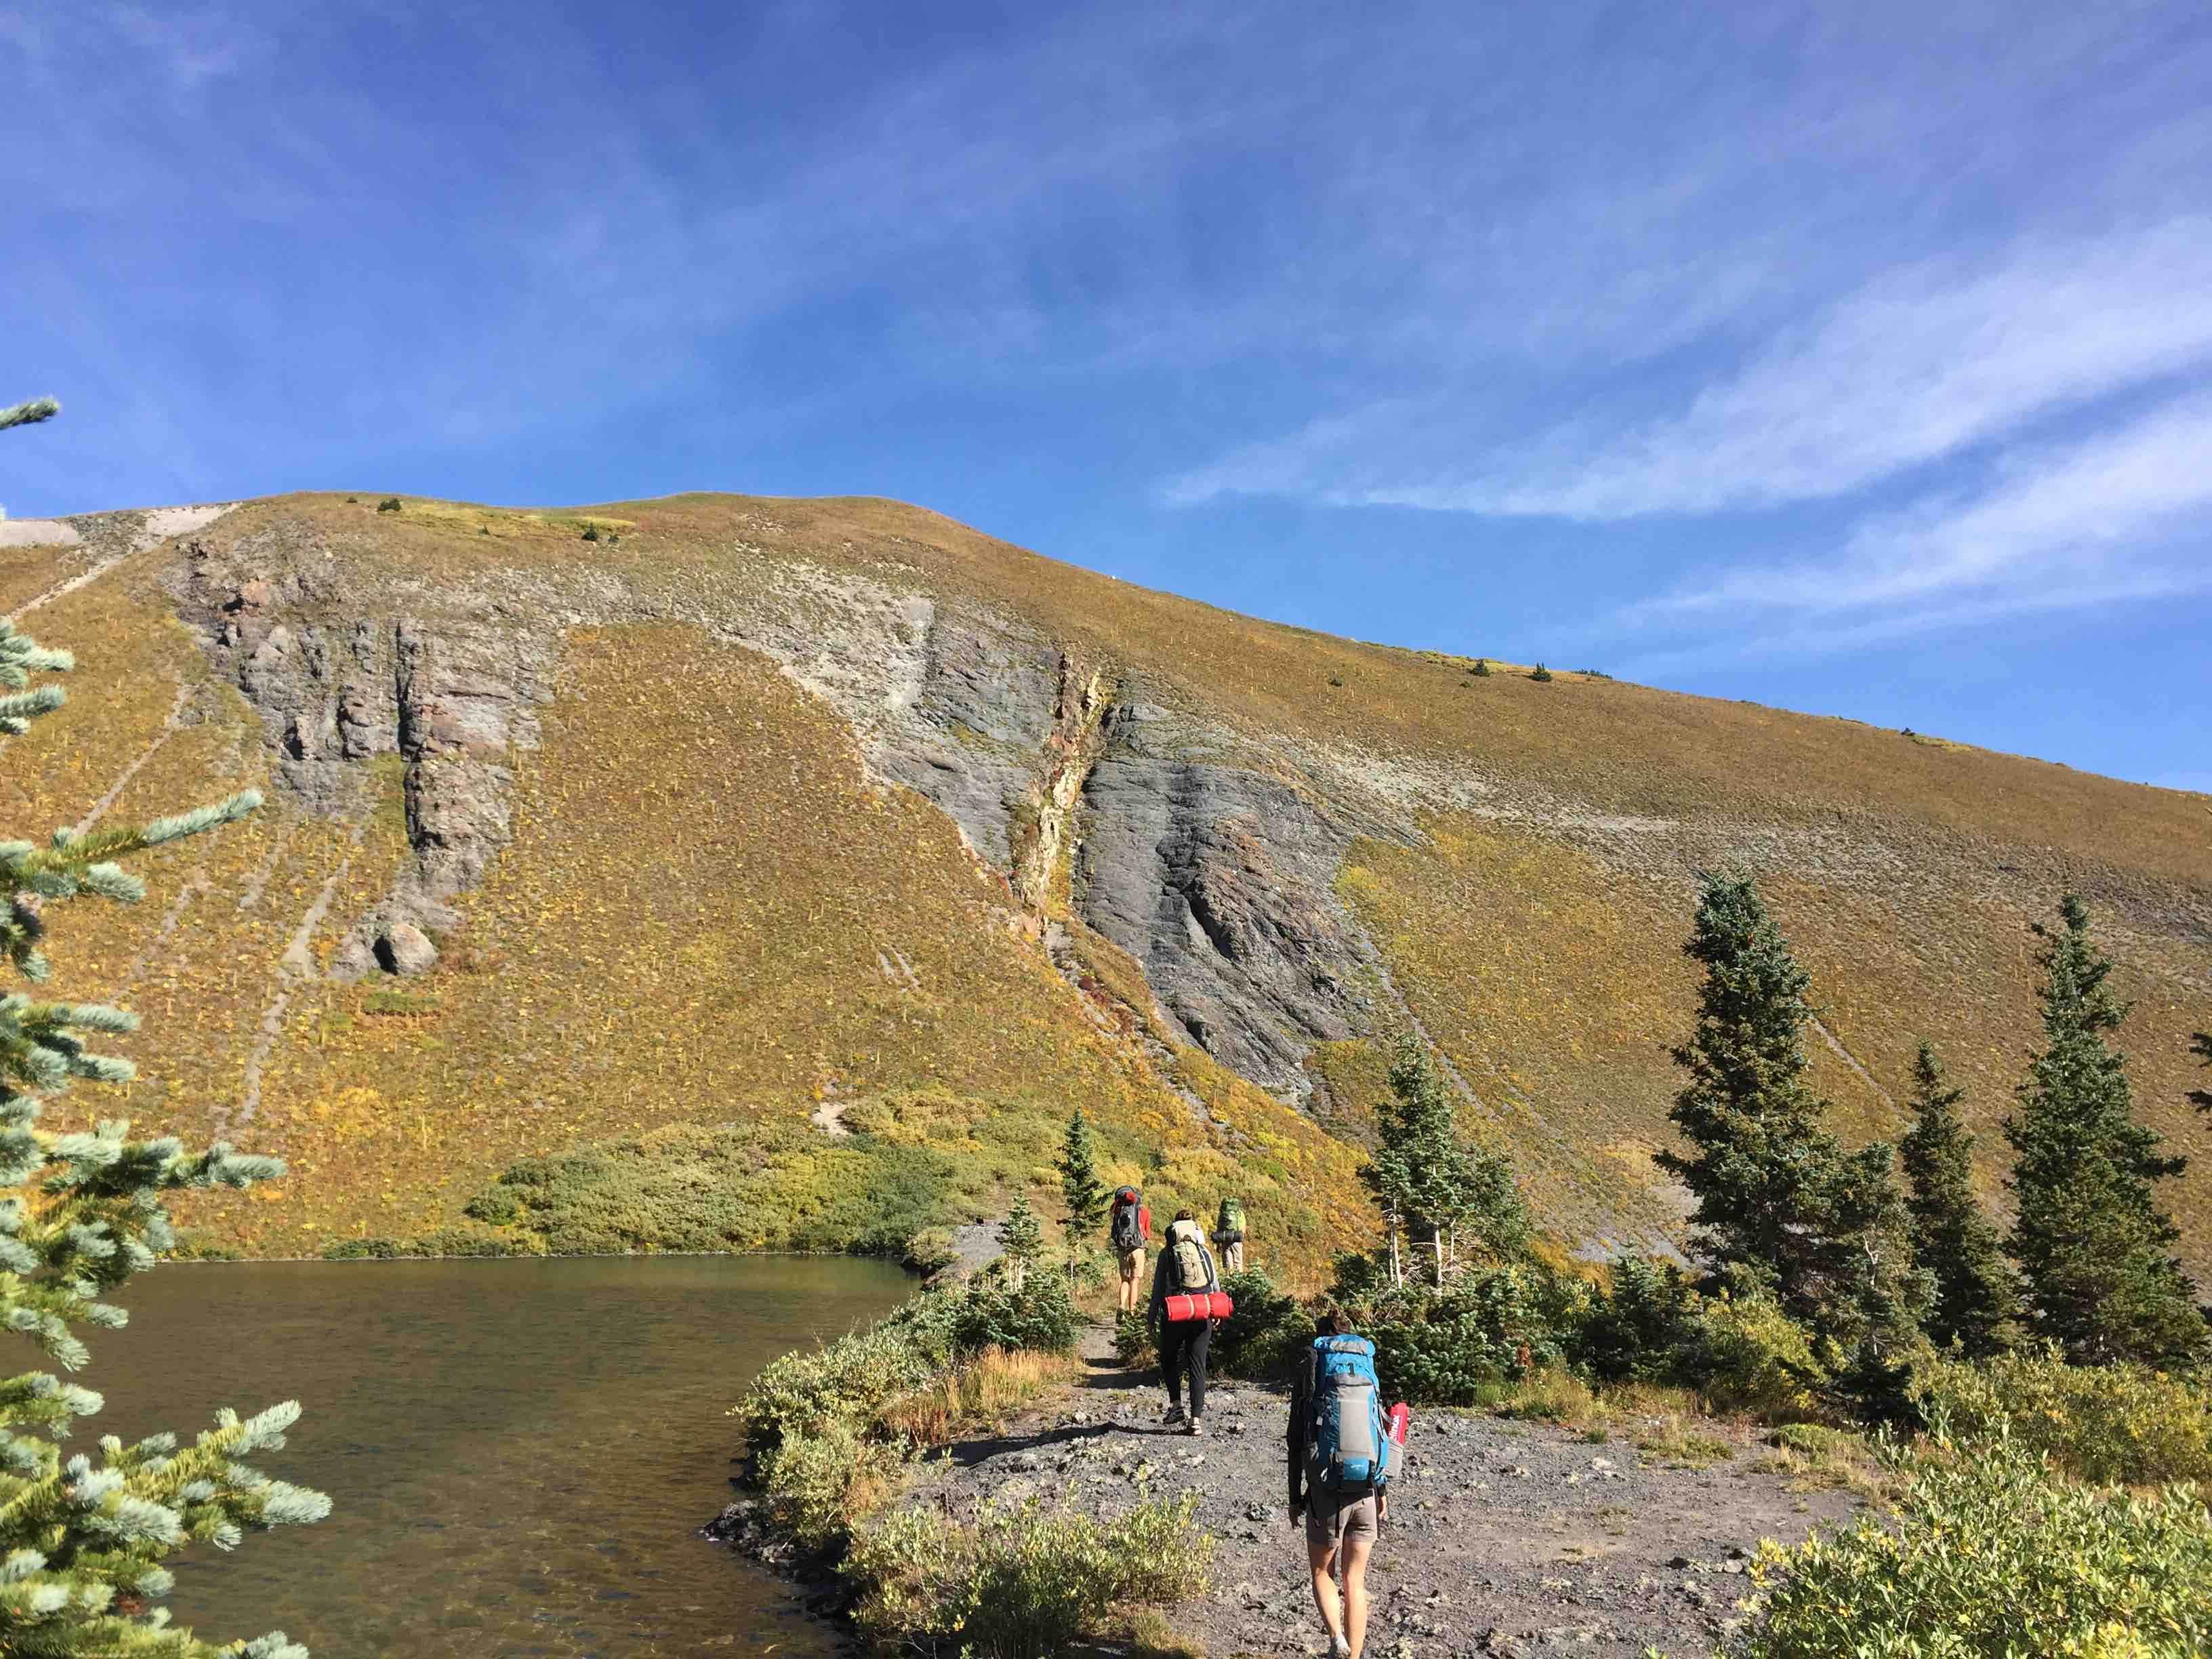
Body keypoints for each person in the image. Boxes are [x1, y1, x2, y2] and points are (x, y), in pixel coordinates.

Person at [1288, 1309, 1389, 1659]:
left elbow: (1296, 1438)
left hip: (1326, 1486)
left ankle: (1336, 1641)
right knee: (1356, 1581)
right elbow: (1380, 1427)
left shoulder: (1314, 1365)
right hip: (1366, 1486)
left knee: (1321, 1571)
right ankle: (1355, 1656)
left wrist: (1294, 1498)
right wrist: (1382, 1490)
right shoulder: (1366, 1364)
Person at [1148, 1207, 1220, 1434]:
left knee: (1169, 1359)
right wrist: (1215, 1311)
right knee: (1198, 1365)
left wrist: (1151, 1319)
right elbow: (1214, 1286)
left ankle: (1176, 1405)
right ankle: (1196, 1421)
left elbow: (1158, 1290)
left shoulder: (1167, 1253)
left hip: (1176, 1313)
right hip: (1202, 1313)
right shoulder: (1204, 1252)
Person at [1109, 1185, 1150, 1315]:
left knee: (1125, 1280)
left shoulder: (1118, 1209)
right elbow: (1147, 1234)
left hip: (1122, 1248)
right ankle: (1132, 1312)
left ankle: (1121, 1305)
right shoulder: (1144, 1211)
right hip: (1137, 1248)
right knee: (1135, 1280)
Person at [1212, 1195, 1246, 1274]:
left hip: (1225, 1240)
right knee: (1238, 1264)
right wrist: (1240, 1238)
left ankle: (1229, 1282)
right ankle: (1239, 1282)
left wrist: (1218, 1244)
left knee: (1228, 1266)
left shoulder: (1222, 1215)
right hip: (1237, 1240)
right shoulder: (1240, 1214)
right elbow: (1243, 1229)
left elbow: (1219, 1228)